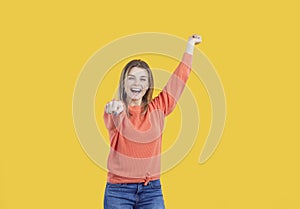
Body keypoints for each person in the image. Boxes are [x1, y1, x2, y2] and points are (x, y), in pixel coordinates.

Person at [103, 34, 202, 209]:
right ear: (124, 83)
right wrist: (113, 108)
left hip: (151, 190)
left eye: (142, 79)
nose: (137, 83)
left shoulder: (159, 107)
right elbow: (112, 114)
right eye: (131, 78)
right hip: (118, 191)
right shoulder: (118, 110)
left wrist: (190, 47)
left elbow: (178, 80)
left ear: (148, 84)